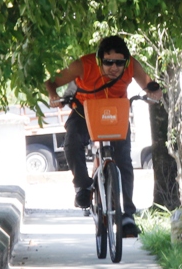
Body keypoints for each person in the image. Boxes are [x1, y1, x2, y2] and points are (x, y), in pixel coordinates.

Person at [45, 36, 162, 237]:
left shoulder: (132, 65)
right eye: (108, 62)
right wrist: (53, 95)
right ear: (99, 60)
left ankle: (127, 215)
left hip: (115, 114)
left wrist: (154, 94)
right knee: (71, 142)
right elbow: (51, 82)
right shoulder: (83, 65)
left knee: (124, 160)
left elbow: (149, 85)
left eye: (119, 63)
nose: (114, 67)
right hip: (85, 112)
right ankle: (83, 186)